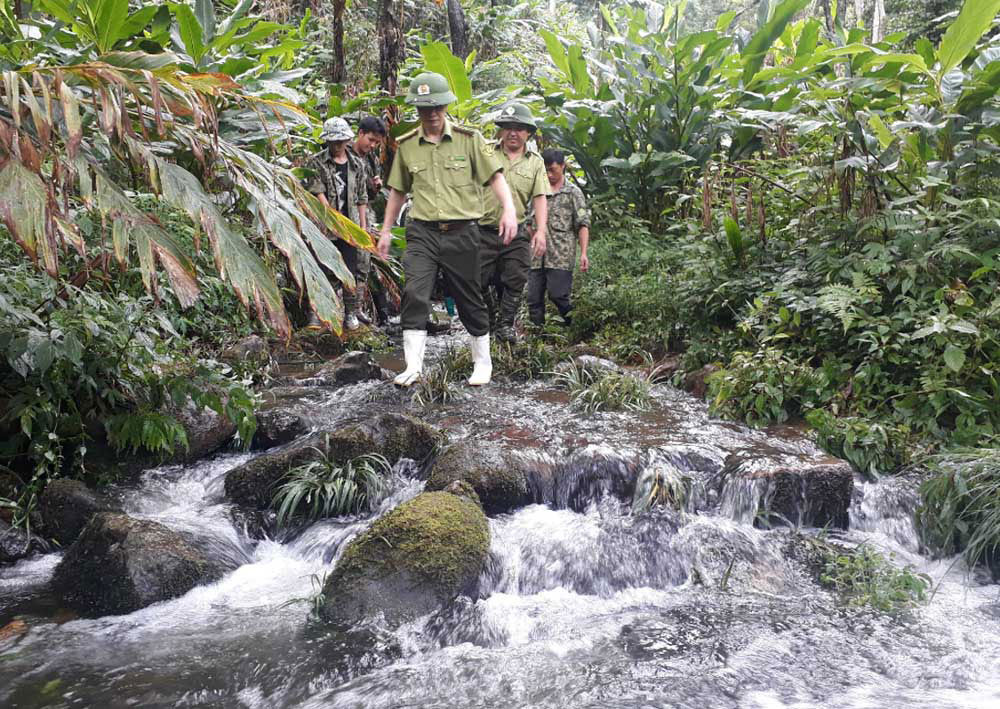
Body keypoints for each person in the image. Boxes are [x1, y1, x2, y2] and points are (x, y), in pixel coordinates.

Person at [377, 71, 517, 387]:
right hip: (422, 231)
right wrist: (386, 230)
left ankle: (483, 363)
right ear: (417, 110)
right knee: (414, 292)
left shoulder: (470, 141)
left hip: (463, 231)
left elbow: (495, 177)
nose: (432, 114)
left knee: (469, 295)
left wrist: (508, 210)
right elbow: (398, 191)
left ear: (446, 106)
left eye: (437, 107)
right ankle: (413, 366)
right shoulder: (408, 146)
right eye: (425, 108)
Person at [478, 102, 550, 343]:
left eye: (519, 128)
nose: (513, 132)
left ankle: (505, 325)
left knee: (517, 277)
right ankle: (490, 318)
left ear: (528, 132)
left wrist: (540, 231)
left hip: (516, 232)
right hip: (483, 230)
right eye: (508, 127)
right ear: (501, 130)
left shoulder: (535, 162)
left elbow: (540, 197)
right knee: (475, 279)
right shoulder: (487, 152)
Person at [305, 116, 368, 330]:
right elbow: (318, 193)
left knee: (350, 270)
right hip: (327, 226)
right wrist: (333, 221)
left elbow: (361, 197)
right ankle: (316, 313)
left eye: (341, 141)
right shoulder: (316, 162)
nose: (337, 145)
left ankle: (350, 314)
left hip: (350, 226)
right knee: (323, 269)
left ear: (347, 140)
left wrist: (362, 227)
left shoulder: (357, 164)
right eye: (333, 142)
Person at [526, 149, 590, 327]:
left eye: (553, 169)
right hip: (536, 258)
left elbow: (582, 224)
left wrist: (583, 253)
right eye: (545, 170)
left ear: (563, 166)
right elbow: (528, 222)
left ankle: (572, 327)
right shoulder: (537, 192)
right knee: (533, 299)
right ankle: (538, 337)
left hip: (561, 256)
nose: (549, 174)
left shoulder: (572, 193)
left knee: (558, 295)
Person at [348, 115, 389, 325]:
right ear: (360, 133)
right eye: (370, 140)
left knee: (363, 260)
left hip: (364, 213)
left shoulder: (371, 159)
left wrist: (376, 186)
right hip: (344, 212)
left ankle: (356, 308)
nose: (372, 145)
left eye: (376, 143)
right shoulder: (343, 153)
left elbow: (368, 194)